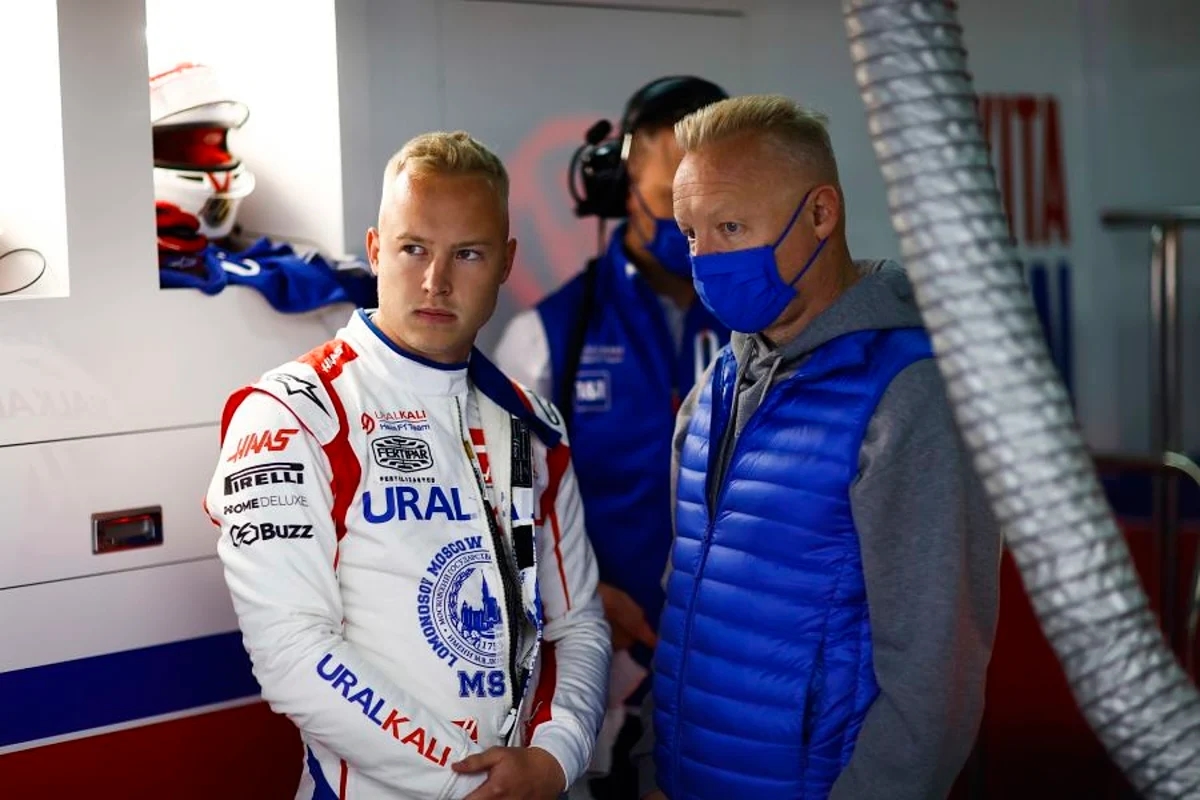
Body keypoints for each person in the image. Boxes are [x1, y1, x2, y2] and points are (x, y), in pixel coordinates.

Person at [204, 131, 611, 800]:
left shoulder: (532, 423)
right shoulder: (294, 413)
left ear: (506, 261)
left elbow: (576, 623)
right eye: (413, 248)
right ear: (374, 250)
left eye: (468, 254)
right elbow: (292, 652)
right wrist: (470, 787)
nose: (435, 281)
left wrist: (554, 759)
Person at [635, 95, 1002, 799]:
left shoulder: (911, 393)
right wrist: (658, 768)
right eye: (690, 233)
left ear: (821, 214)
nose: (705, 259)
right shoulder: (714, 386)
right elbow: (685, 609)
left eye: (731, 226)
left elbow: (935, 679)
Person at [492, 76, 731, 798]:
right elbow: (500, 518)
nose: (688, 222)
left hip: (740, 668)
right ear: (617, 183)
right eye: (669, 200)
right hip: (602, 672)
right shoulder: (546, 338)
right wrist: (589, 597)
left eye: (710, 205)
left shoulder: (772, 331)